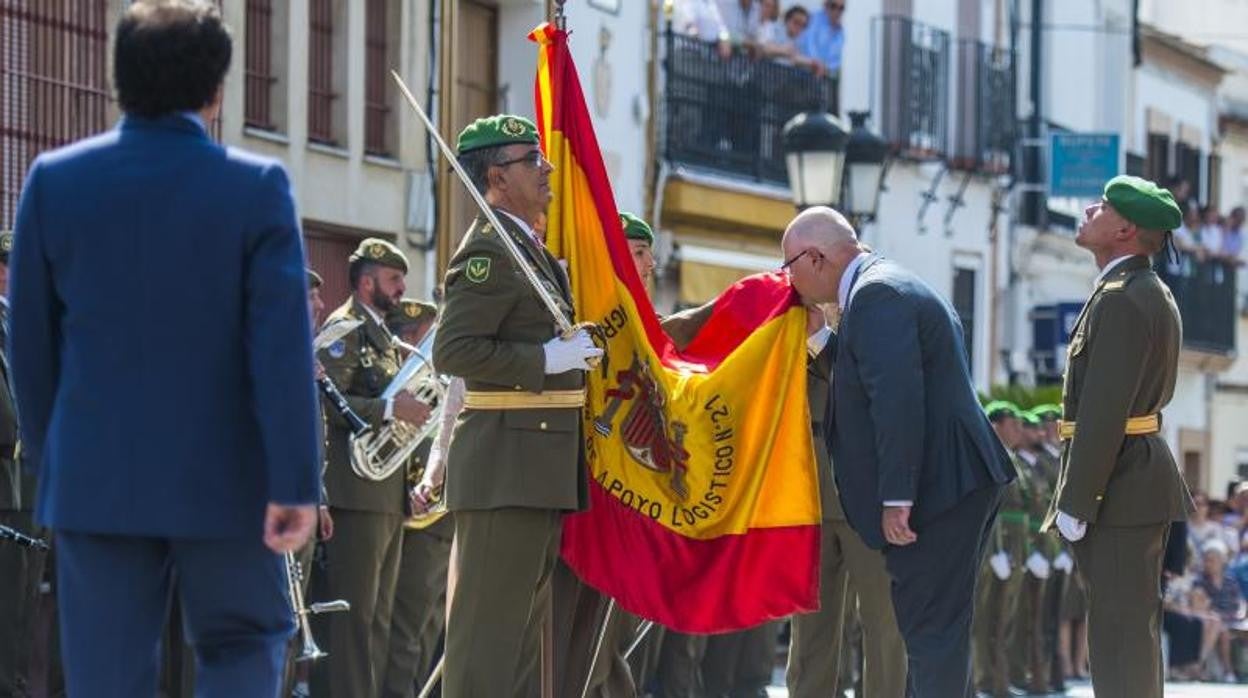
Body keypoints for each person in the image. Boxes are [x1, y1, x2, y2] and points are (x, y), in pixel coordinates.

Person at [7, 2, 322, 695]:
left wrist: (52, 456)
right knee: (242, 643)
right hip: (228, 480)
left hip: (95, 477)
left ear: (120, 81)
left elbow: (29, 346)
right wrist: (296, 479)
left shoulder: (54, 182)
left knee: (107, 673)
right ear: (216, 90)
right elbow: (281, 352)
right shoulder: (256, 189)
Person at [779, 206, 1014, 697]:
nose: (788, 279)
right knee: (936, 631)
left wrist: (897, 497)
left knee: (930, 633)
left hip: (940, 484)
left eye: (790, 266)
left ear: (817, 258)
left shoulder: (876, 295)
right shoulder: (885, 285)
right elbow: (870, 372)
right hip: (955, 478)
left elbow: (897, 399)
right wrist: (822, 338)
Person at [432, 113, 601, 697]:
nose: (546, 169)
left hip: (535, 471)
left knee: (521, 652)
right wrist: (547, 360)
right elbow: (452, 349)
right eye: (532, 161)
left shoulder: (529, 249)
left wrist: (574, 354)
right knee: (484, 651)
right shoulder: (488, 250)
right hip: (504, 468)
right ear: (497, 177)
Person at [1041, 174, 1194, 698]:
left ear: (1125, 229)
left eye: (1102, 206)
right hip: (1126, 477)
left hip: (1119, 484)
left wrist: (1078, 498)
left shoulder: (1126, 298)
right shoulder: (1128, 290)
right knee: (1122, 631)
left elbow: (1104, 412)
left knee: (1120, 634)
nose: (1088, 210)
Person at [311, 238, 432, 698]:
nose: (402, 288)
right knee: (353, 620)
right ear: (366, 282)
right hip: (354, 493)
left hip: (384, 494)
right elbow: (325, 400)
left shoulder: (383, 335)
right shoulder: (346, 329)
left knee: (377, 619)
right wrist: (388, 409)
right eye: (393, 279)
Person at [785, 311, 906, 698]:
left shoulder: (870, 341)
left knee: (880, 622)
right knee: (810, 627)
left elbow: (864, 384)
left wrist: (820, 335)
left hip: (863, 501)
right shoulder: (792, 347)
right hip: (808, 500)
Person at [380, 298, 454, 698]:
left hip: (442, 517)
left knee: (430, 626)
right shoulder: (403, 383)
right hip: (416, 519)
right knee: (408, 626)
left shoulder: (440, 381)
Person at [798, 0, 846, 77]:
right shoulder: (814, 19)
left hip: (821, 77)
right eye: (833, 6)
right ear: (825, 5)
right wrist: (818, 64)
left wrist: (826, 68)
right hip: (802, 73)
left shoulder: (841, 33)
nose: (837, 11)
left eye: (841, 8)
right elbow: (808, 44)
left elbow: (837, 60)